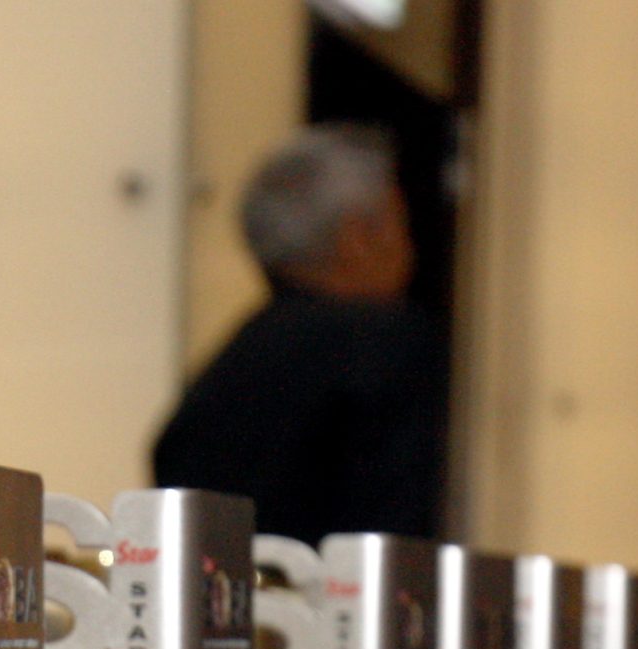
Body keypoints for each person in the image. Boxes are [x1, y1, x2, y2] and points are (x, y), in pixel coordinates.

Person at [152, 124, 446, 547]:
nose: (411, 249)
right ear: (357, 238)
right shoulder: (391, 345)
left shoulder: (234, 362)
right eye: (402, 225)